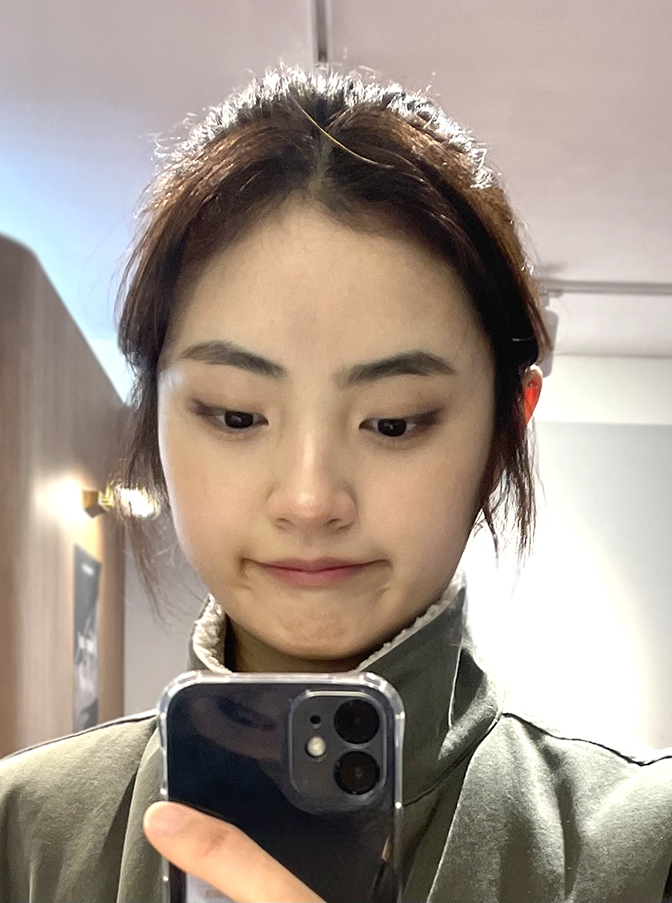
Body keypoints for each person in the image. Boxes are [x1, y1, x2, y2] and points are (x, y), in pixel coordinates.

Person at [1, 65, 671, 903]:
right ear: (158, 414)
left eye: (393, 423)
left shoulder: (643, 851)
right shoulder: (22, 837)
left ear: (505, 430)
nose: (311, 500)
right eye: (236, 415)